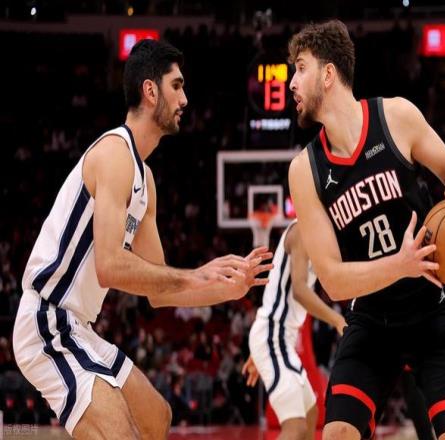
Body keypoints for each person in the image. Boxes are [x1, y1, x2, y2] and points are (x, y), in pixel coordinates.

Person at [12, 39, 273, 439]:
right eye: (177, 86)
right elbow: (110, 266)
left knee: (156, 418)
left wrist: (227, 289)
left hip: (77, 326)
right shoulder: (114, 153)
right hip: (47, 320)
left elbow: (159, 292)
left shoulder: (144, 179)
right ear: (150, 91)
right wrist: (195, 274)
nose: (184, 99)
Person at [287, 20, 445, 440]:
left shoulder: (395, 116)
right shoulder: (304, 170)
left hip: (434, 310)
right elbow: (332, 280)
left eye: (300, 68)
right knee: (337, 434)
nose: (292, 82)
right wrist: (401, 264)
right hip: (372, 321)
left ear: (328, 74)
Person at [243, 220, 346, 440]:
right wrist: (337, 320)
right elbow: (299, 290)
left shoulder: (318, 236)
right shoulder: (301, 230)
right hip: (273, 334)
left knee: (310, 415)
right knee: (295, 427)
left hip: (277, 338)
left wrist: (260, 352)